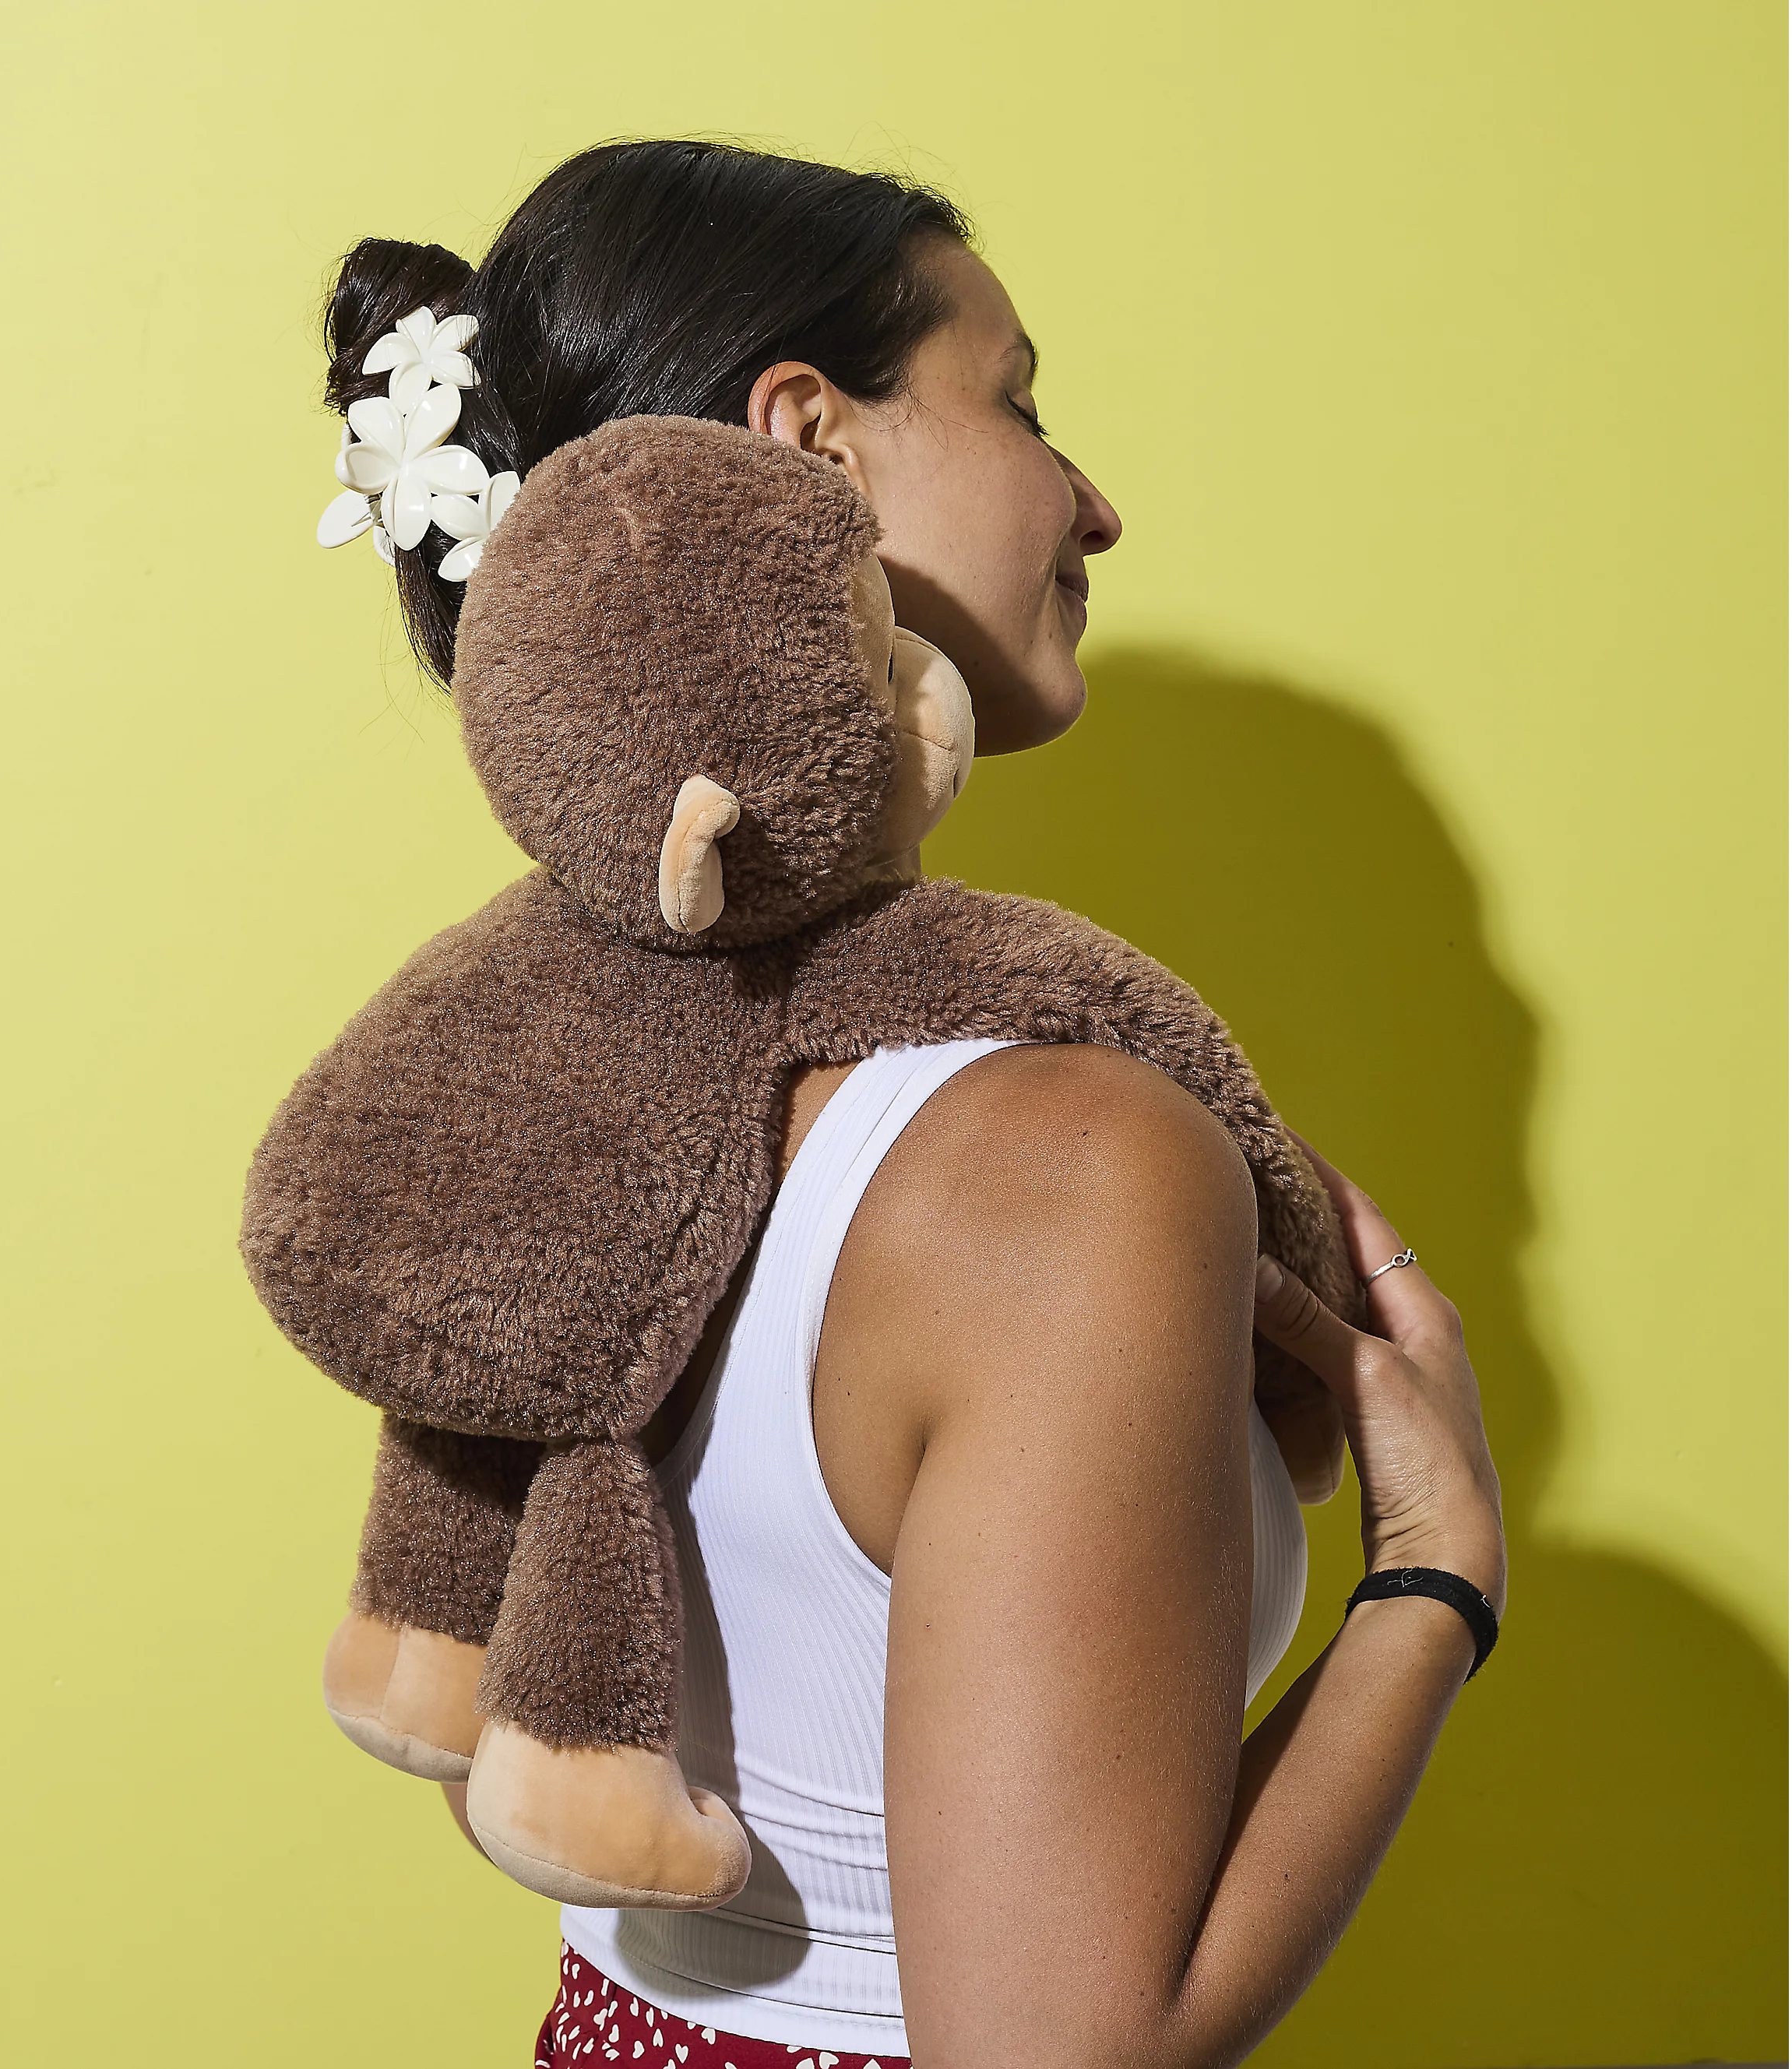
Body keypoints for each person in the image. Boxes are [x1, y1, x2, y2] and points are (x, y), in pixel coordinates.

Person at [319, 139, 1507, 2069]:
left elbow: (494, 1756)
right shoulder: (1073, 1164)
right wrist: (1434, 1574)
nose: (1091, 499)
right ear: (813, 442)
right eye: (1018, 400)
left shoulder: (534, 1094)